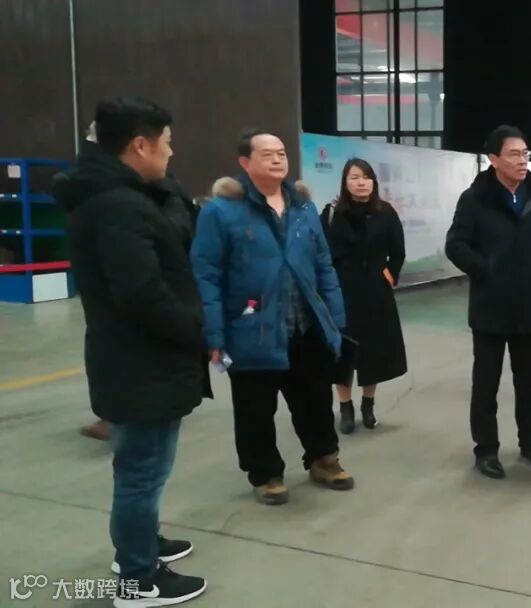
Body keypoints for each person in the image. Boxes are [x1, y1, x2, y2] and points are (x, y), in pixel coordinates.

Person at [55, 96, 207, 606]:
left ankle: (139, 548)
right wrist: (196, 328)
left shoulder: (116, 197)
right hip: (142, 362)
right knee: (142, 473)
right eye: (167, 143)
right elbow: (142, 294)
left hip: (135, 361)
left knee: (141, 469)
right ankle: (138, 579)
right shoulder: (120, 206)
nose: (171, 152)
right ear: (140, 145)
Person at [190, 130, 352, 505]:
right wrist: (214, 336)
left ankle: (323, 459)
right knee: (255, 409)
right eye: (267, 154)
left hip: (305, 325)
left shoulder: (303, 207)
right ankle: (265, 473)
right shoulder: (221, 211)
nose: (278, 159)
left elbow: (323, 264)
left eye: (281, 153)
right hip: (252, 328)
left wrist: (335, 319)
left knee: (314, 400)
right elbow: (207, 275)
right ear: (245, 163)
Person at [445, 125, 531, 479]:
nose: (522, 160)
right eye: (514, 154)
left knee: (528, 381)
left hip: (529, 305)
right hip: (490, 307)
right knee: (486, 384)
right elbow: (456, 244)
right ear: (493, 159)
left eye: (525, 153)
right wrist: (486, 270)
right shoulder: (475, 199)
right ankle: (486, 449)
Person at [320, 158, 407, 433]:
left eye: (366, 177)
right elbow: (321, 255)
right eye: (355, 177)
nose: (361, 183)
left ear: (374, 182)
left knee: (374, 353)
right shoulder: (332, 214)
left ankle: (368, 405)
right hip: (342, 294)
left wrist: (388, 277)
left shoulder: (386, 212)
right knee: (342, 353)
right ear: (345, 183)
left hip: (375, 294)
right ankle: (345, 408)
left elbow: (398, 252)